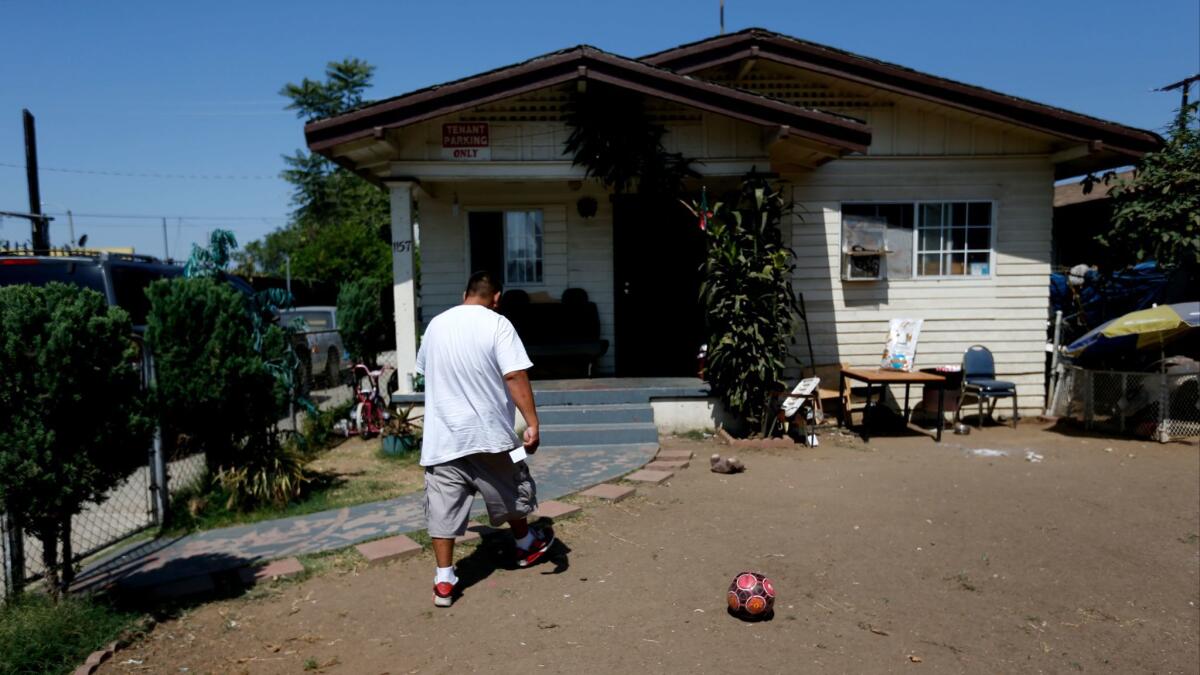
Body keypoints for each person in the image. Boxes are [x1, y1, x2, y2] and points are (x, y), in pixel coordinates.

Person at [415, 271, 553, 608]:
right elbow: (514, 373)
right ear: (496, 298)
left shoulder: (435, 326)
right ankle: (524, 543)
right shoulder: (498, 323)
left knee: (442, 508)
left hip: (443, 438)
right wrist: (532, 422)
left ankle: (444, 580)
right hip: (489, 435)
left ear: (465, 293)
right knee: (513, 484)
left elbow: (425, 371)